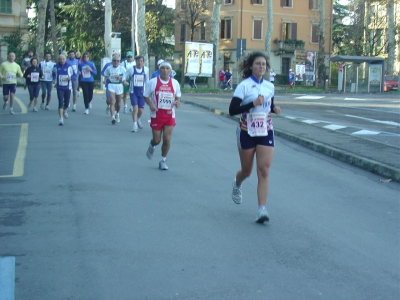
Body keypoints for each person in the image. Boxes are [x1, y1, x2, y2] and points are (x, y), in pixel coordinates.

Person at [228, 51, 281, 224]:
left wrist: (274, 109)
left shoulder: (269, 86)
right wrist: (252, 104)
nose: (261, 67)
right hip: (246, 130)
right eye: (258, 64)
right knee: (247, 171)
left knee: (264, 170)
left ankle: (261, 209)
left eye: (264, 64)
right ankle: (237, 183)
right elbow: (232, 110)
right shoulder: (244, 85)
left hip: (265, 130)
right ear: (251, 66)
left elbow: (269, 105)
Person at [144, 61, 181, 170]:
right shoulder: (153, 82)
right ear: (159, 70)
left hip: (169, 115)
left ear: (170, 71)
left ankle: (162, 160)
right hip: (157, 114)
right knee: (157, 140)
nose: (165, 71)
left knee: (167, 139)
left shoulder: (175, 83)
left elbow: (177, 97)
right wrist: (151, 105)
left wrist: (177, 102)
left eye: (167, 69)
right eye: (163, 68)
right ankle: (152, 146)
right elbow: (145, 96)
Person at [123, 55, 148, 132]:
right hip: (133, 91)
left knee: (140, 110)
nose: (140, 63)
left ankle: (138, 119)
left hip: (142, 92)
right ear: (136, 61)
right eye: (138, 61)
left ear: (143, 62)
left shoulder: (146, 69)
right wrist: (124, 81)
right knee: (135, 108)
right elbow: (124, 75)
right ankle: (134, 125)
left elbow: (147, 81)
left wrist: (149, 91)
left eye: (141, 61)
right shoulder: (131, 69)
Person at [103, 53, 126, 124]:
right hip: (111, 85)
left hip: (119, 86)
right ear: (112, 61)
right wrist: (105, 80)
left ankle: (117, 113)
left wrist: (121, 77)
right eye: (114, 60)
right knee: (112, 101)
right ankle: (112, 117)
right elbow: (106, 75)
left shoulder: (122, 68)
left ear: (119, 62)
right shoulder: (109, 68)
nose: (116, 62)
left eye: (117, 61)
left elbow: (126, 77)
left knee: (118, 103)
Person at [52, 54, 73, 126]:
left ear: (65, 59)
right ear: (58, 60)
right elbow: (54, 74)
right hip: (59, 87)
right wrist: (54, 79)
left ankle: (65, 110)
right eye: (60, 59)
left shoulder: (69, 66)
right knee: (60, 102)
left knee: (66, 103)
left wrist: (70, 78)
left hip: (67, 87)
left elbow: (74, 74)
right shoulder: (56, 66)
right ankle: (61, 118)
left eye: (63, 59)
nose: (62, 60)